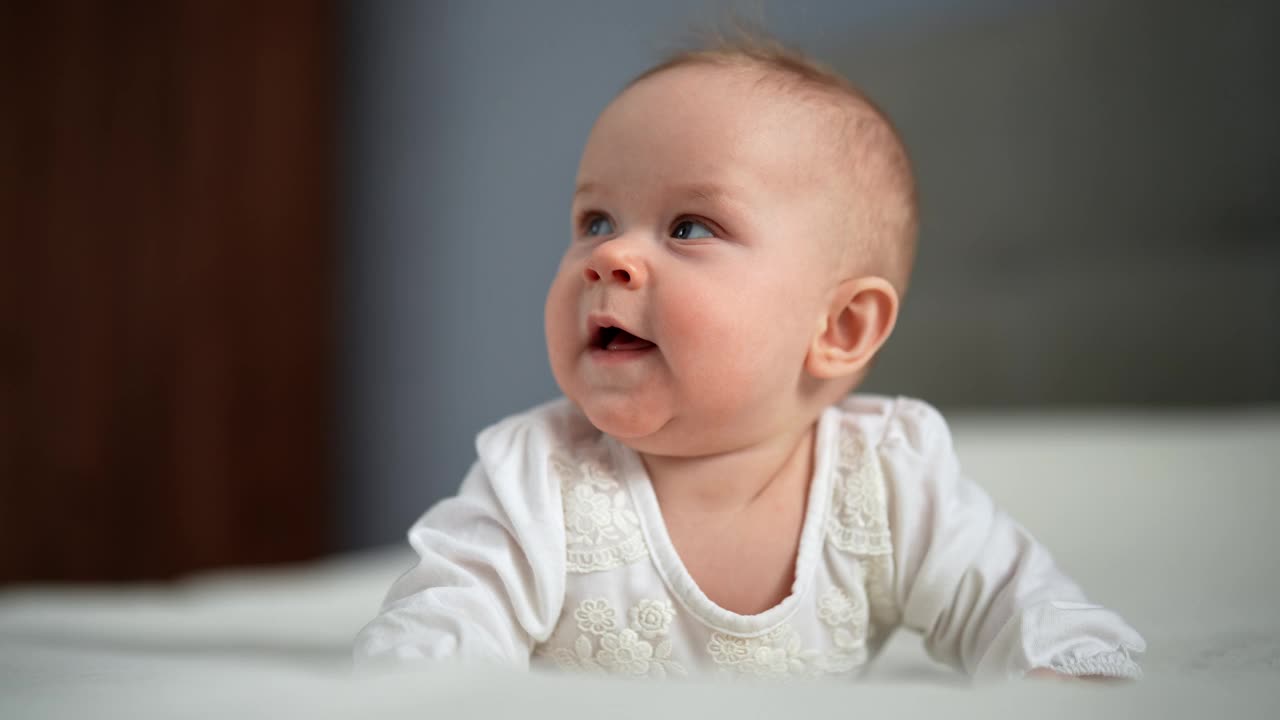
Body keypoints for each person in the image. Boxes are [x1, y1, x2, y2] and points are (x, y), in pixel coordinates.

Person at [353, 36, 1145, 682]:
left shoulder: (887, 483)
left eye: (691, 227)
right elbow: (441, 630)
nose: (609, 257)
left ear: (840, 326)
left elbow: (1023, 609)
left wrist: (1063, 678)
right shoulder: (540, 478)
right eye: (595, 220)